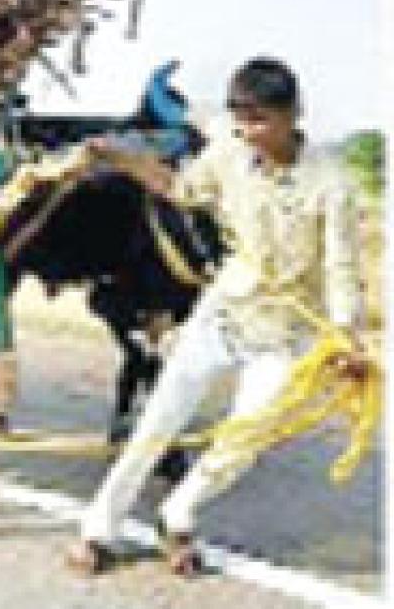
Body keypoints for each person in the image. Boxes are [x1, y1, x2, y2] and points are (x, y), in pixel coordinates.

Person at [66, 56, 367, 576]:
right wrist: (124, 159)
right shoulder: (227, 156)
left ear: (294, 114)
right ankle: (100, 527)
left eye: (260, 120)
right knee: (159, 422)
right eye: (241, 119)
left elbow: (342, 267)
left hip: (283, 332)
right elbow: (181, 189)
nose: (249, 132)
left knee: (244, 440)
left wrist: (346, 337)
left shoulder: (332, 183)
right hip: (222, 316)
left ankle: (178, 513)